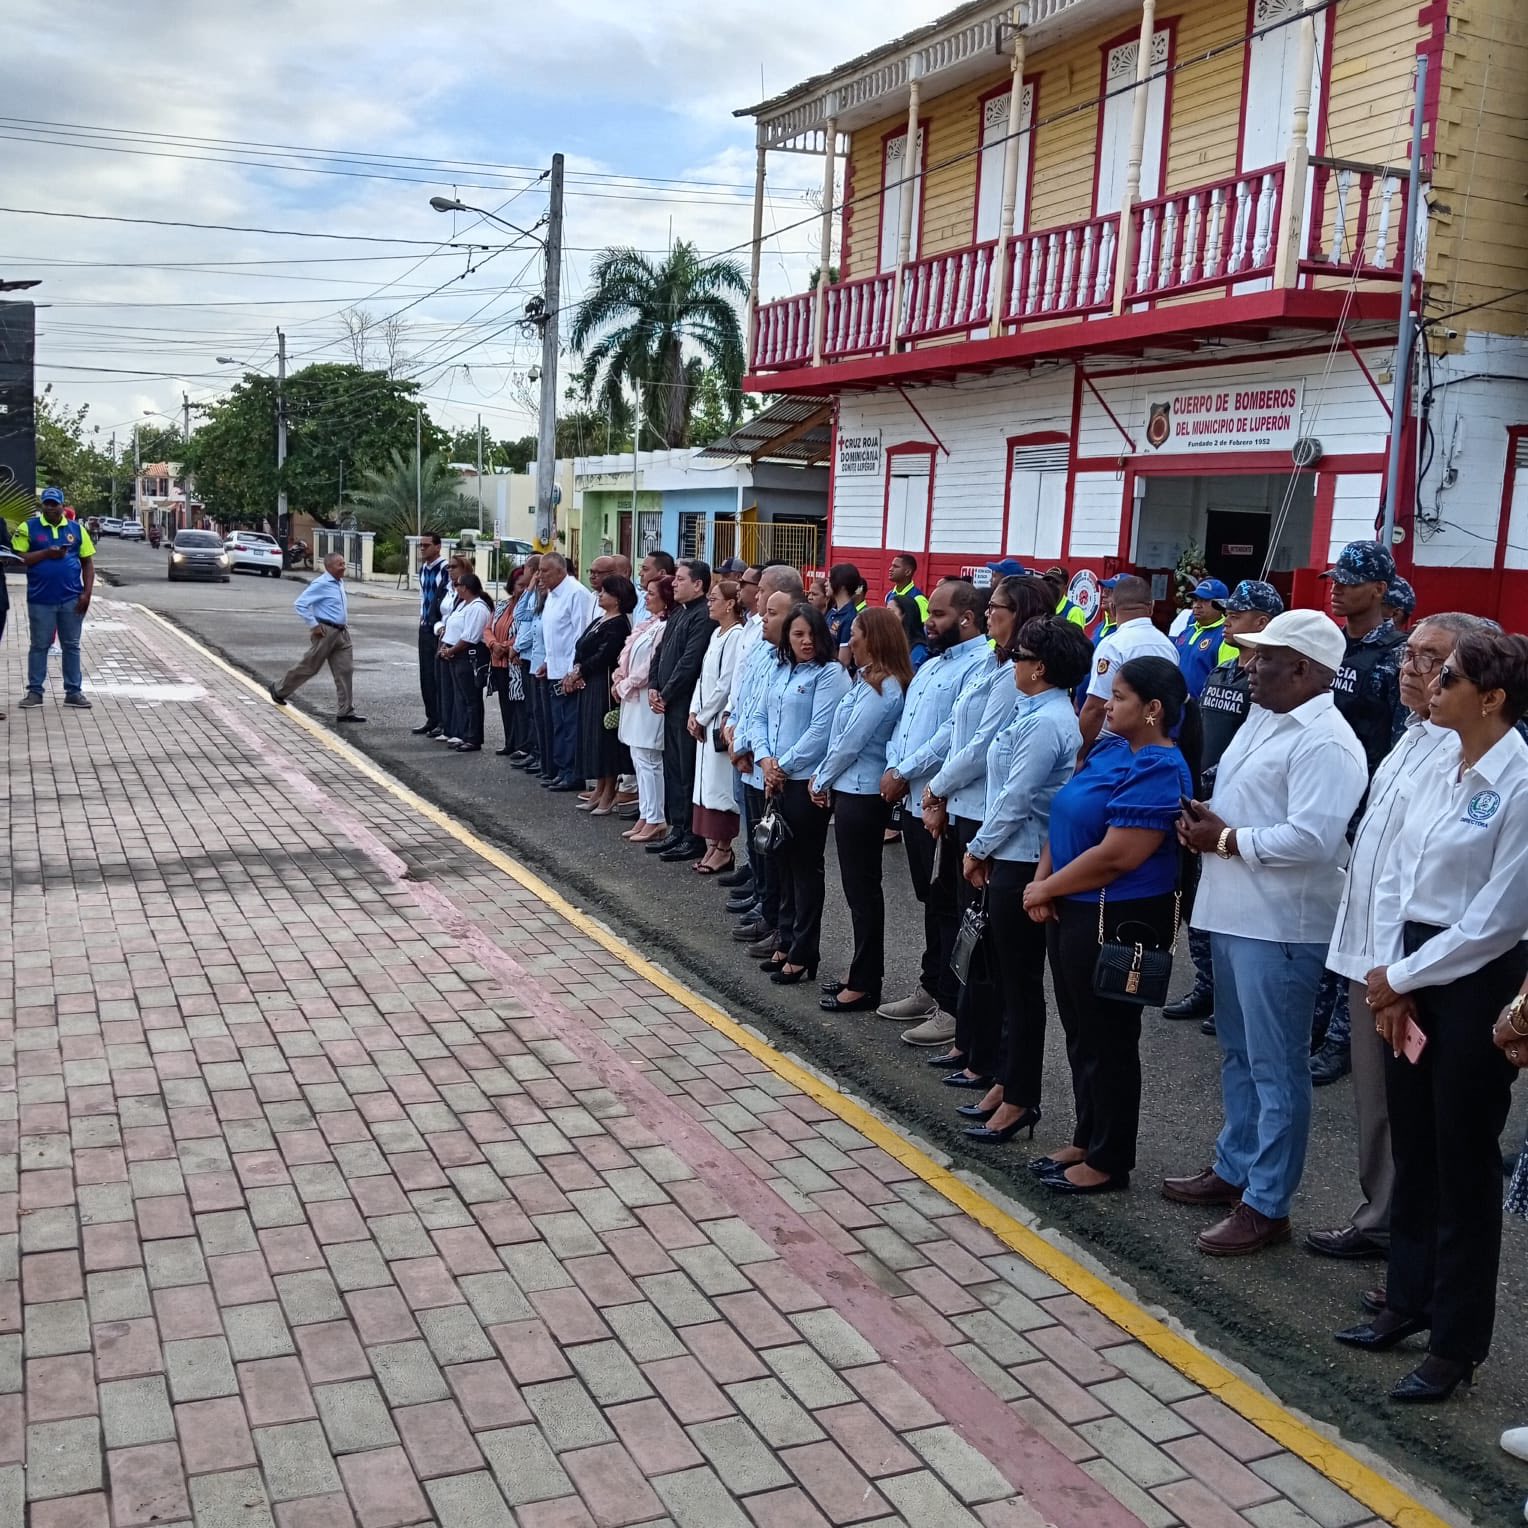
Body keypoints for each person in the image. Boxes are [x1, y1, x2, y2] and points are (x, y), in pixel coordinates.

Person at [1341, 630, 1528, 1402]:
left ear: (1491, 699)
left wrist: (1404, 977)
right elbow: (1395, 875)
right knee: (1414, 1144)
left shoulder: (1518, 780)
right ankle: (1406, 1299)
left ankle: (1456, 1341)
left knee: (1463, 1159)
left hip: (1473, 979)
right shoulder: (1435, 760)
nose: (1431, 683)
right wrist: (1390, 974)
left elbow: (1497, 918)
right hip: (1409, 964)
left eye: (1447, 675)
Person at [1168, 609, 1368, 1255]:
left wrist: (1223, 837)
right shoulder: (1267, 717)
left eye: (1265, 657)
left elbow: (1312, 838)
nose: (1249, 667)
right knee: (1237, 1052)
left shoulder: (1327, 741)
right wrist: (1210, 817)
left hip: (1279, 924)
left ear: (1304, 669)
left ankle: (1268, 1202)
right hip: (1233, 911)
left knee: (1277, 1067)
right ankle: (1236, 1166)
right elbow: (1255, 806)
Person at [1307, 614, 1487, 1265]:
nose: (1412, 668)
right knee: (1378, 1106)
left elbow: (1429, 879)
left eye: (1431, 659)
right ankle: (1386, 1219)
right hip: (1369, 955)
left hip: (1407, 965)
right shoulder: (1414, 736)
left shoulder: (1464, 753)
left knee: (1413, 1114)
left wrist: (1396, 975)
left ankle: (1405, 1235)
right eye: (1410, 655)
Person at [1023, 657, 1194, 1193]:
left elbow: (1120, 854)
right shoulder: (1115, 746)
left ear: (1153, 710)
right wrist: (1044, 882)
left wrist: (1047, 888)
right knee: (1080, 1030)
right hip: (1073, 904)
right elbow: (1066, 813)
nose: (1105, 704)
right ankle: (1086, 1133)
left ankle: (1109, 1156)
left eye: (1119, 697)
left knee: (1110, 1037)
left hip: (1118, 916)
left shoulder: (1160, 767)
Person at [960, 616, 1091, 1144]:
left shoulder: (1045, 720)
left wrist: (977, 847)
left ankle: (1020, 1098)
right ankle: (1007, 1082)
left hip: (1021, 858)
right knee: (1010, 984)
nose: (1011, 663)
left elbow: (1017, 797)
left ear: (1040, 668)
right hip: (1009, 855)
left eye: (1019, 657)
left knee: (1020, 985)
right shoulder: (1033, 711)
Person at [926, 575, 1055, 1086]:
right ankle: (971, 1043)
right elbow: (958, 732)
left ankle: (990, 1057)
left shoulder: (1016, 679)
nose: (988, 613)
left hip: (987, 813)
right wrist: (939, 789)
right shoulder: (993, 663)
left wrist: (935, 787)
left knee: (993, 947)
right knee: (971, 934)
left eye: (997, 606)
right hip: (964, 806)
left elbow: (981, 747)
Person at [1163, 579, 1284, 1033]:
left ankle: (1228, 992)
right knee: (1199, 899)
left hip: (1239, 806)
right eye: (1227, 612)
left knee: (1234, 903)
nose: (1227, 618)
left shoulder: (1267, 688)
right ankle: (1206, 983)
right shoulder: (1224, 669)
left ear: (1263, 623)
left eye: (1238, 613)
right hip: (1203, 796)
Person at [878, 580, 993, 1046]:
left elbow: (952, 735)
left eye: (939, 614)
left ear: (967, 617)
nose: (929, 620)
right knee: (931, 899)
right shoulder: (930, 664)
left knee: (950, 905)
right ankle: (930, 986)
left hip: (939, 802)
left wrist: (906, 772)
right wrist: (894, 765)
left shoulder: (980, 664)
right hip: (912, 798)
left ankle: (951, 1003)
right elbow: (905, 724)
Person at [1310, 539, 1408, 1083]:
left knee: (1358, 926)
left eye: (1350, 580)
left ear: (1380, 589)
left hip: (1366, 806)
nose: (1338, 588)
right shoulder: (1328, 646)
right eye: (1334, 579)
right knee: (1324, 919)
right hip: (1324, 796)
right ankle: (1317, 1024)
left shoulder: (1396, 656)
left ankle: (1342, 1040)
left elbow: (1399, 740)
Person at [813, 608, 912, 1012]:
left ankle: (867, 980)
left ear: (876, 639)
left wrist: (819, 779)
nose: (849, 641)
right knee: (857, 890)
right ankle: (860, 969)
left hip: (862, 792)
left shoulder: (882, 688)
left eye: (855, 634)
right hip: (852, 790)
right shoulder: (867, 680)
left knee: (863, 890)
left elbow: (850, 742)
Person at [759, 603, 851, 983]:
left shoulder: (830, 674)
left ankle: (804, 949)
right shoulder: (780, 668)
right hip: (776, 777)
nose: (806, 641)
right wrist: (765, 760)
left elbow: (821, 731)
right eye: (798, 634)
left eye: (812, 634)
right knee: (779, 861)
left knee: (804, 867)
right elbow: (761, 717)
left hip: (804, 782)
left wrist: (783, 766)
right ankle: (784, 937)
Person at [726, 570, 807, 941]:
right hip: (753, 754)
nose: (761, 612)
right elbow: (749, 700)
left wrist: (755, 752)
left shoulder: (797, 662)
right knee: (758, 836)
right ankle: (764, 900)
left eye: (771, 608)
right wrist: (737, 737)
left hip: (771, 765)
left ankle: (772, 913)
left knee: (774, 846)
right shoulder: (763, 645)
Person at [649, 559, 717, 861]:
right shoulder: (678, 613)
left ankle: (692, 835)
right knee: (672, 768)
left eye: (680, 579)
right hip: (668, 702)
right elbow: (661, 653)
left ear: (698, 585)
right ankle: (676, 828)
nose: (673, 584)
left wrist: (666, 692)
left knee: (686, 769)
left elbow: (689, 662)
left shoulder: (703, 617)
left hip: (685, 704)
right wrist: (653, 684)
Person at [14, 486, 96, 710]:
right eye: (47, 504)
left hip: (71, 598)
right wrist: (46, 553)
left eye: (54, 504)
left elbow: (87, 563)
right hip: (41, 599)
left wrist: (87, 594)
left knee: (71, 645)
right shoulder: (28, 527)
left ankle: (73, 692)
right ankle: (35, 692)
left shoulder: (76, 530)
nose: (50, 508)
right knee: (40, 645)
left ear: (62, 506)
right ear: (43, 505)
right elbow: (19, 558)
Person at [1079, 574, 1178, 752]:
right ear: (1152, 607)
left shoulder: (1113, 645)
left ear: (1113, 606)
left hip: (1112, 746)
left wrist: (1079, 755)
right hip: (1156, 744)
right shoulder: (1168, 646)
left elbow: (1096, 708)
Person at [687, 579, 746, 873]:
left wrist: (705, 714)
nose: (709, 604)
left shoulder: (736, 635)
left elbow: (725, 684)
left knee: (718, 783)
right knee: (706, 783)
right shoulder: (716, 634)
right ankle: (712, 845)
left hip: (718, 720)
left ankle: (724, 848)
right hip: (704, 716)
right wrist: (693, 711)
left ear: (731, 604)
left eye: (714, 599)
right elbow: (703, 677)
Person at [268, 553, 364, 724]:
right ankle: (279, 689)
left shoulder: (339, 582)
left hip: (342, 632)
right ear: (329, 567)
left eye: (343, 563)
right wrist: (313, 625)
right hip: (325, 632)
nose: (343, 567)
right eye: (339, 564)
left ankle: (345, 711)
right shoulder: (320, 584)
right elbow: (300, 604)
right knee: (310, 666)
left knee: (345, 670)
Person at [614, 576, 674, 844]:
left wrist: (627, 683)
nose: (646, 597)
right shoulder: (649, 624)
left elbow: (650, 664)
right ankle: (646, 813)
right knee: (638, 757)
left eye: (652, 593)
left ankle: (656, 817)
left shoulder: (664, 626)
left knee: (649, 760)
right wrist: (619, 678)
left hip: (646, 699)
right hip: (633, 698)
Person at [569, 573, 636, 813]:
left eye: (606, 592)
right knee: (591, 736)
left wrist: (581, 670)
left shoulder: (618, 624)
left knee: (604, 738)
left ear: (617, 598)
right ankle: (599, 788)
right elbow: (583, 645)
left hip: (603, 685)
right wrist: (577, 668)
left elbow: (606, 655)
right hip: (590, 681)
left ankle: (609, 793)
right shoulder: (601, 619)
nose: (600, 594)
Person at [539, 553, 596, 791]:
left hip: (569, 674)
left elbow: (579, 635)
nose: (540, 576)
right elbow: (553, 634)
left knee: (570, 723)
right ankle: (562, 769)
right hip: (554, 669)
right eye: (540, 571)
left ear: (561, 571)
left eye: (545, 571)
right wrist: (546, 661)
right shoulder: (552, 595)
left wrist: (574, 672)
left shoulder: (576, 593)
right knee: (559, 723)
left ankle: (573, 772)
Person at [441, 573, 493, 753]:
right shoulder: (464, 604)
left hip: (468, 657)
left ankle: (473, 737)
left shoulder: (478, 608)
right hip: (457, 655)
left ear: (466, 587)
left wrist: (451, 650)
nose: (456, 588)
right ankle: (464, 733)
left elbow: (470, 637)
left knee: (472, 699)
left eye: (458, 585)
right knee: (462, 698)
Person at [485, 565, 531, 758]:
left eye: (527, 586)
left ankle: (522, 744)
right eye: (520, 585)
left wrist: (506, 645)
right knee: (505, 704)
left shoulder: (528, 608)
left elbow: (525, 633)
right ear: (512, 586)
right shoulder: (503, 605)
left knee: (519, 706)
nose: (524, 590)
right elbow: (487, 628)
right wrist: (494, 644)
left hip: (515, 663)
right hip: (499, 663)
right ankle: (509, 742)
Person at [1174, 579, 1238, 700]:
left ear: (1220, 604)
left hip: (1202, 711)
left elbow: (1226, 682)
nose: (1196, 605)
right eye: (1195, 600)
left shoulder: (1226, 635)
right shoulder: (1186, 631)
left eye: (1204, 600)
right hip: (1178, 707)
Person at [413, 532, 451, 736]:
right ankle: (432, 717)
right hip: (425, 626)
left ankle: (443, 720)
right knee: (426, 675)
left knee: (439, 676)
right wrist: (422, 616)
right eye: (421, 546)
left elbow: (446, 598)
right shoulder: (423, 570)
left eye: (426, 545)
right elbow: (423, 596)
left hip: (439, 628)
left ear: (438, 547)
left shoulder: (445, 569)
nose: (422, 549)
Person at [513, 557, 547, 775]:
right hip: (530, 659)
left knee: (539, 713)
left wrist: (516, 647)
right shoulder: (536, 595)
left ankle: (540, 754)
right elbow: (520, 615)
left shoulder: (549, 598)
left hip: (540, 661)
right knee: (532, 710)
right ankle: (535, 752)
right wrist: (530, 588)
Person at [825, 563, 866, 665]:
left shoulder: (850, 618)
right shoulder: (832, 612)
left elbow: (843, 661)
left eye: (830, 579)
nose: (826, 583)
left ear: (842, 586)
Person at [885, 554, 928, 623]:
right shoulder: (889, 595)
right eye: (891, 566)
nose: (890, 569)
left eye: (895, 567)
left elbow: (925, 628)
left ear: (908, 572)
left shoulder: (918, 599)